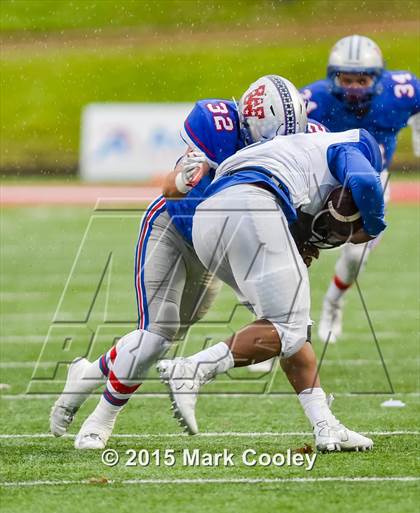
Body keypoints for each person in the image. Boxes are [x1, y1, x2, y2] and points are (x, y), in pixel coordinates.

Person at [50, 75, 309, 450]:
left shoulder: (297, 143)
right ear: (249, 126)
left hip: (217, 248)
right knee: (156, 334)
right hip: (172, 225)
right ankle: (101, 418)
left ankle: (87, 374)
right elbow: (169, 188)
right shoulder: (216, 125)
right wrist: (187, 179)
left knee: (171, 336)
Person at [158, 126, 386, 452]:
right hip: (251, 204)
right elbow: (365, 182)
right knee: (287, 327)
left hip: (208, 219)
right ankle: (192, 369)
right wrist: (375, 224)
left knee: (293, 330)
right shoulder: (356, 144)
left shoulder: (293, 155)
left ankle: (326, 425)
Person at [300, 35, 420, 343]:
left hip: (372, 179)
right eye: (346, 78)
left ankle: (333, 304)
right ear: (333, 77)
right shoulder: (312, 100)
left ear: (377, 78)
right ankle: (285, 323)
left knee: (355, 256)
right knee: (296, 249)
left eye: (361, 79)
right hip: (323, 177)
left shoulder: (403, 90)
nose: (353, 87)